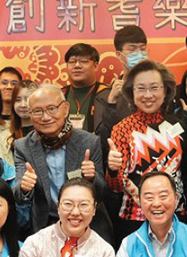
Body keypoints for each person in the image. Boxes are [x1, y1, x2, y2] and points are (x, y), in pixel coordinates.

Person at [106, 60, 187, 242]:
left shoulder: (178, 126)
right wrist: (113, 170)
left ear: (165, 91)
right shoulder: (121, 129)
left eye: (154, 88)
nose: (148, 95)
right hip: (133, 221)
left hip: (176, 216)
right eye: (141, 88)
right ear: (131, 92)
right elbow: (116, 185)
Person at [13, 84, 113, 243]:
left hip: (89, 227)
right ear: (30, 115)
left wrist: (92, 178)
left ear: (65, 109)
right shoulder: (22, 147)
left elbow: (102, 194)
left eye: (52, 109)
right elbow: (17, 194)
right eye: (37, 111)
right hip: (46, 229)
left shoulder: (88, 142)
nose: (45, 117)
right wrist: (24, 187)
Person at [61, 43, 113, 139]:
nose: (77, 66)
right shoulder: (60, 95)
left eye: (83, 61)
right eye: (72, 62)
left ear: (96, 66)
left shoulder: (107, 94)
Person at [10, 79, 37, 145]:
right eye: (18, 100)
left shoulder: (45, 133)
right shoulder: (7, 135)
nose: (23, 105)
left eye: (27, 99)